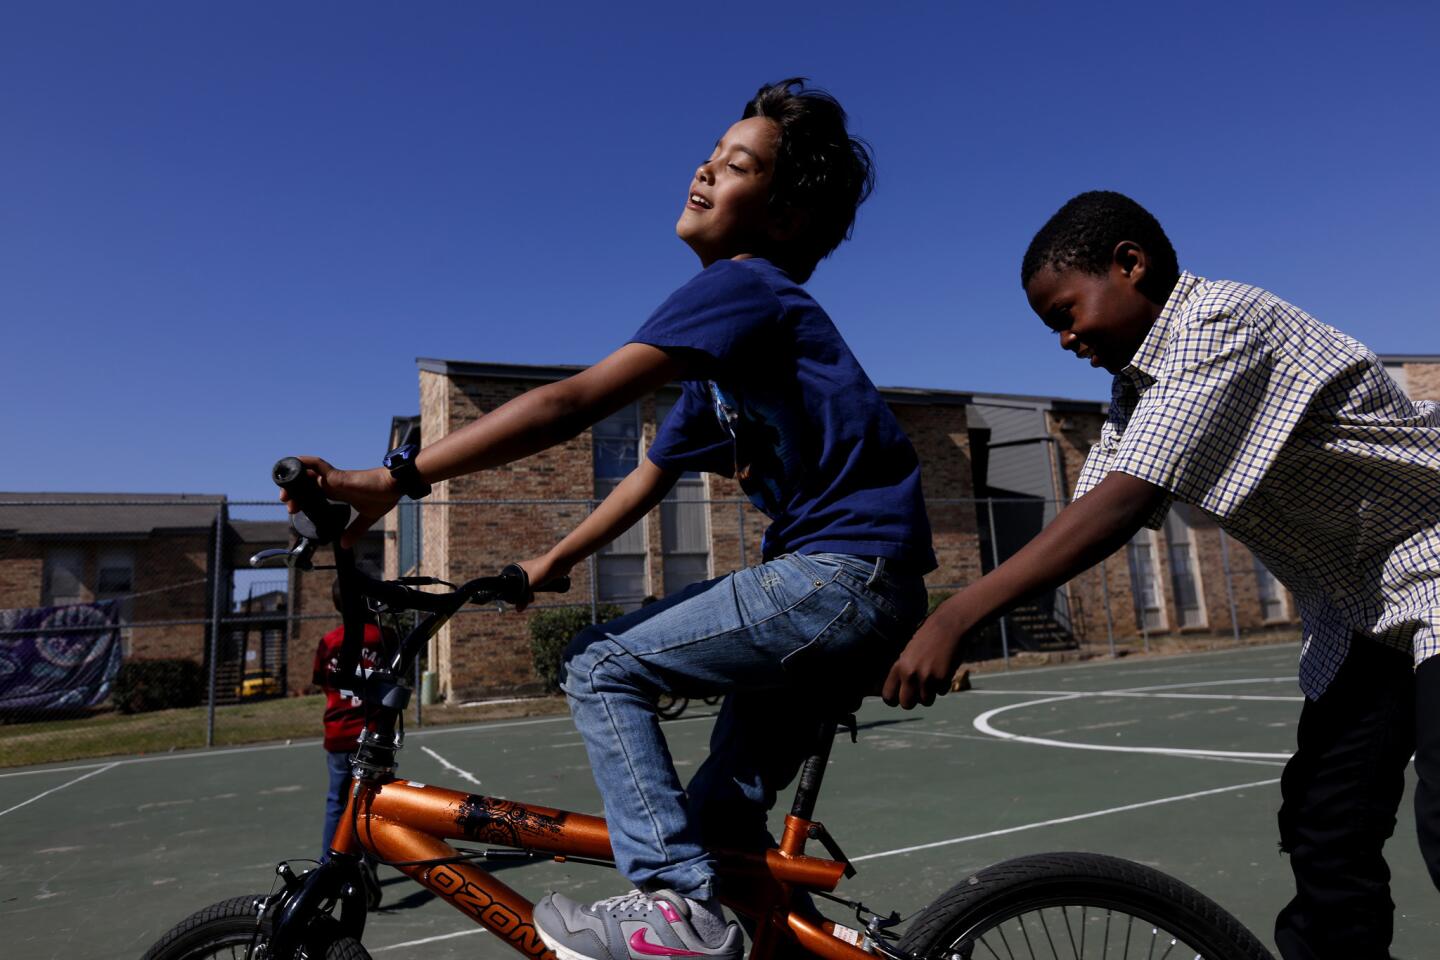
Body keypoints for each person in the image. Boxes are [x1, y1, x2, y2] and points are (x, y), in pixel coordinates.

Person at [284, 79, 933, 960]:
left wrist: (394, 476)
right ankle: (733, 914)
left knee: (600, 663)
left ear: (782, 219)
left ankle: (677, 911)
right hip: (859, 587)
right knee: (720, 823)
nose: (703, 172)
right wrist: (549, 563)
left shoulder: (746, 290)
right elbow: (648, 476)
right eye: (708, 156)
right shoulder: (726, 363)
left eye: (736, 166)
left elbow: (569, 402)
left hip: (837, 573)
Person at [882, 190, 1440, 959]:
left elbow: (1125, 501)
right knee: (1326, 822)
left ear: (1131, 264)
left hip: (1435, 567)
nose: (1066, 337)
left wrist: (954, 617)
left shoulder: (1223, 326)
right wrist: (907, 620)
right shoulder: (1134, 393)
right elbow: (1081, 521)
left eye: (1067, 312)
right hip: (1366, 614)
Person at [312, 577, 387, 908]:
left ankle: (329, 865)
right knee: (370, 803)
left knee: (336, 801)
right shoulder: (383, 638)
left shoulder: (329, 641)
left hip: (339, 732)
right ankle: (366, 861)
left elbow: (323, 683)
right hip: (371, 736)